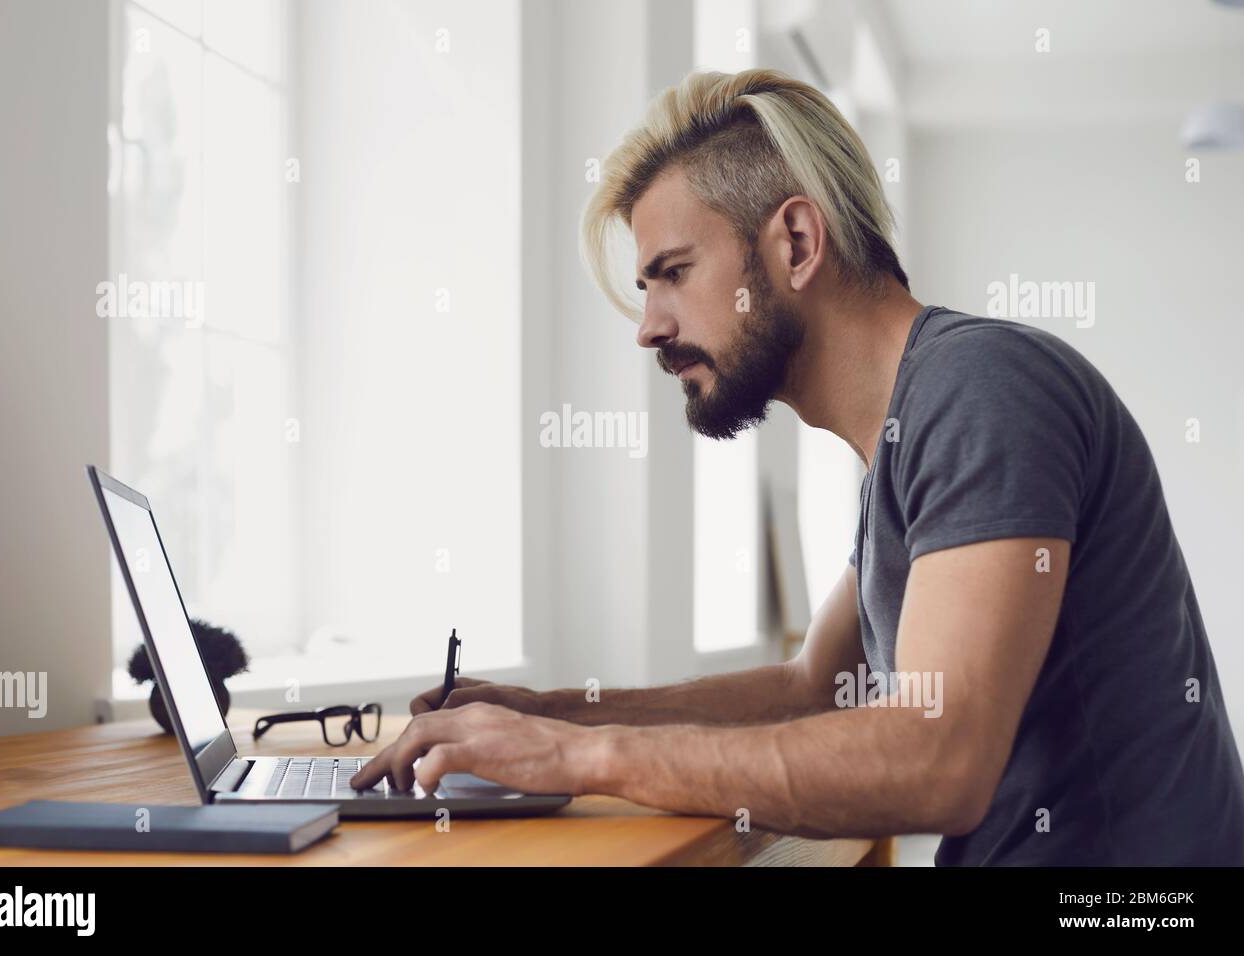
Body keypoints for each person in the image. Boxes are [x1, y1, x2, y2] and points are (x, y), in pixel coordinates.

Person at [350, 68, 1244, 865]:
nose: (649, 327)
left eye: (673, 272)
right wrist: (552, 713)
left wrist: (579, 759)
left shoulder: (981, 387)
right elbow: (810, 689)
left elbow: (939, 761)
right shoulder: (905, 430)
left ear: (796, 244)